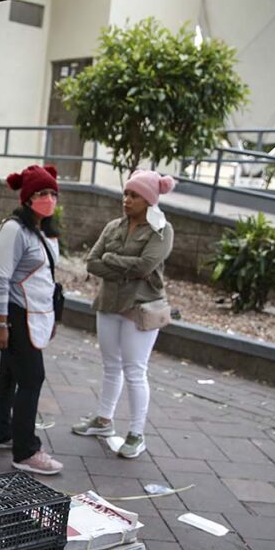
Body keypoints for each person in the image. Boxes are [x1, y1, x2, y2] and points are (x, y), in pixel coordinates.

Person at [73, 170, 175, 459]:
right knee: (110, 365)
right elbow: (92, 262)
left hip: (141, 307)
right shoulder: (113, 226)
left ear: (149, 200)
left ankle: (136, 433)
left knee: (134, 370)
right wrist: (118, 266)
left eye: (134, 195)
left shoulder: (161, 230)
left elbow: (145, 266)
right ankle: (104, 420)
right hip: (109, 303)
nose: (127, 200)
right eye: (126, 194)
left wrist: (111, 259)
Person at [0, 165, 64, 475]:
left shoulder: (42, 229)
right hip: (14, 315)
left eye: (52, 193)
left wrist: (52, 317)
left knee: (9, 373)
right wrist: (1, 323)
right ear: (27, 198)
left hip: (32, 313)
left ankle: (0, 431)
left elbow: (44, 277)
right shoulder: (14, 230)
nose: (48, 198)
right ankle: (26, 450)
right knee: (32, 378)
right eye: (41, 193)